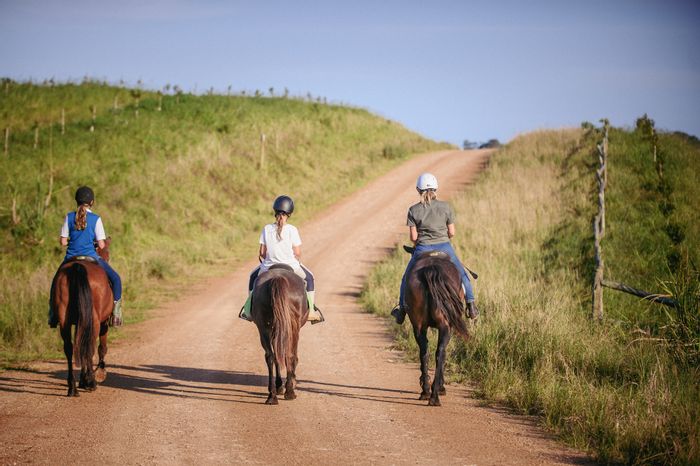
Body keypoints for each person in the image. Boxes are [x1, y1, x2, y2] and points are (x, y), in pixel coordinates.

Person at [391, 173, 478, 324]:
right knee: (462, 274)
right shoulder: (446, 207)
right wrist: (442, 238)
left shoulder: (413, 210)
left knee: (406, 277)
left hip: (422, 249)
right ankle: (471, 306)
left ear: (418, 189)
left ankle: (401, 310)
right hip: (444, 247)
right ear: (436, 188)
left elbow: (413, 237)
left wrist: (422, 241)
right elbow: (452, 232)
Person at [239, 195, 324, 324]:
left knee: (253, 277)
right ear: (289, 213)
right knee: (310, 278)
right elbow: (297, 252)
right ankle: (311, 311)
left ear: (275, 211)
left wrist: (270, 257)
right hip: (291, 266)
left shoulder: (267, 228)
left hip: (268, 266)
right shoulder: (292, 229)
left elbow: (262, 253)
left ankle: (248, 311)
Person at [48, 186, 123, 328]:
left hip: (70, 257)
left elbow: (63, 242)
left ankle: (52, 313)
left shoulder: (69, 217)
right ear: (92, 202)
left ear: (76, 201)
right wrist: (92, 242)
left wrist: (73, 241)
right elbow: (101, 245)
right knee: (116, 279)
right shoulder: (96, 219)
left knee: (55, 282)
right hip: (91, 257)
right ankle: (116, 314)